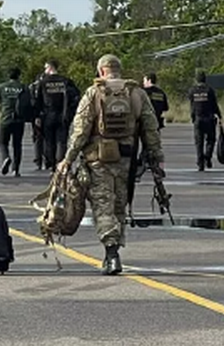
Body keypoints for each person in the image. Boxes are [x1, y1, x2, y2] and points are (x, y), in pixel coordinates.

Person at [59, 54, 164, 275]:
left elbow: (80, 131)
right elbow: (150, 128)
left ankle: (111, 253)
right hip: (126, 160)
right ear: (118, 69)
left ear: (101, 71)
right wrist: (155, 156)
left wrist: (68, 159)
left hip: (99, 160)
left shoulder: (94, 93)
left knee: (103, 205)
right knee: (119, 205)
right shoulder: (136, 93)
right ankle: (115, 249)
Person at [35, 59, 80, 171]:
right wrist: (71, 112)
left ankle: (52, 165)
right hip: (63, 115)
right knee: (62, 141)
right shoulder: (65, 81)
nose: (45, 70)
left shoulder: (43, 82)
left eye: (45, 68)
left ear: (50, 68)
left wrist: (37, 116)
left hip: (48, 115)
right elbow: (76, 96)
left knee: (49, 142)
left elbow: (38, 101)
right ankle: (61, 164)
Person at [0, 67, 28, 177]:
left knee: (2, 142)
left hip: (6, 119)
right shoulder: (23, 87)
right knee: (17, 145)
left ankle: (6, 157)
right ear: (19, 75)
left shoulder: (2, 87)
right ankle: (16, 169)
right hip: (19, 119)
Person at [187, 70, 222, 172]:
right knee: (211, 140)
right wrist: (220, 116)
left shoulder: (192, 91)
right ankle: (207, 157)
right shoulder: (209, 90)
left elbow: (192, 106)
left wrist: (192, 118)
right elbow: (214, 105)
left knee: (199, 142)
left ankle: (200, 163)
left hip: (198, 119)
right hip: (209, 119)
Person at [29, 72, 44, 171]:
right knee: (47, 138)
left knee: (37, 138)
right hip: (45, 114)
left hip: (35, 115)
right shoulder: (45, 86)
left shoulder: (31, 87)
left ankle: (38, 160)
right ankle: (47, 160)